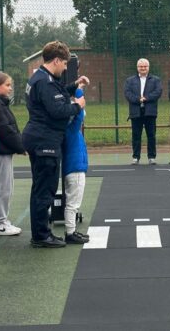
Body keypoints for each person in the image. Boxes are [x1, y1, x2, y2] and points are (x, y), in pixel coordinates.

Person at [22, 41, 86, 248]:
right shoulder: (45, 82)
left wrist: (74, 85)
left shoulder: (42, 78)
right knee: (44, 190)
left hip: (41, 137)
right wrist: (77, 106)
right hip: (44, 140)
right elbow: (57, 110)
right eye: (65, 63)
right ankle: (41, 235)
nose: (66, 67)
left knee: (42, 188)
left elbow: (56, 95)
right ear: (57, 60)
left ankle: (42, 233)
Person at [0, 71, 25, 236]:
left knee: (6, 186)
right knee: (3, 187)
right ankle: (0, 223)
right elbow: (5, 131)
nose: (10, 88)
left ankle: (2, 220)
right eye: (7, 85)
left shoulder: (0, 105)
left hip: (4, 152)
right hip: (0, 153)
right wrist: (21, 147)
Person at [61, 87, 90, 244]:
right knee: (73, 202)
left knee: (72, 202)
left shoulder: (68, 129)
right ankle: (70, 232)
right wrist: (79, 90)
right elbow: (79, 112)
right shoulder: (71, 129)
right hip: (75, 168)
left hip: (73, 167)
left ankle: (71, 230)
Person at [123, 58, 162, 165]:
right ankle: (136, 157)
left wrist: (146, 98)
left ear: (148, 67)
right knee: (136, 135)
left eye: (145, 66)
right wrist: (138, 99)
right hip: (136, 112)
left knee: (151, 135)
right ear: (137, 68)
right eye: (141, 66)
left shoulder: (156, 80)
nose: (143, 68)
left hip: (150, 112)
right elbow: (127, 93)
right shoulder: (130, 80)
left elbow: (158, 92)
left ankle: (151, 157)